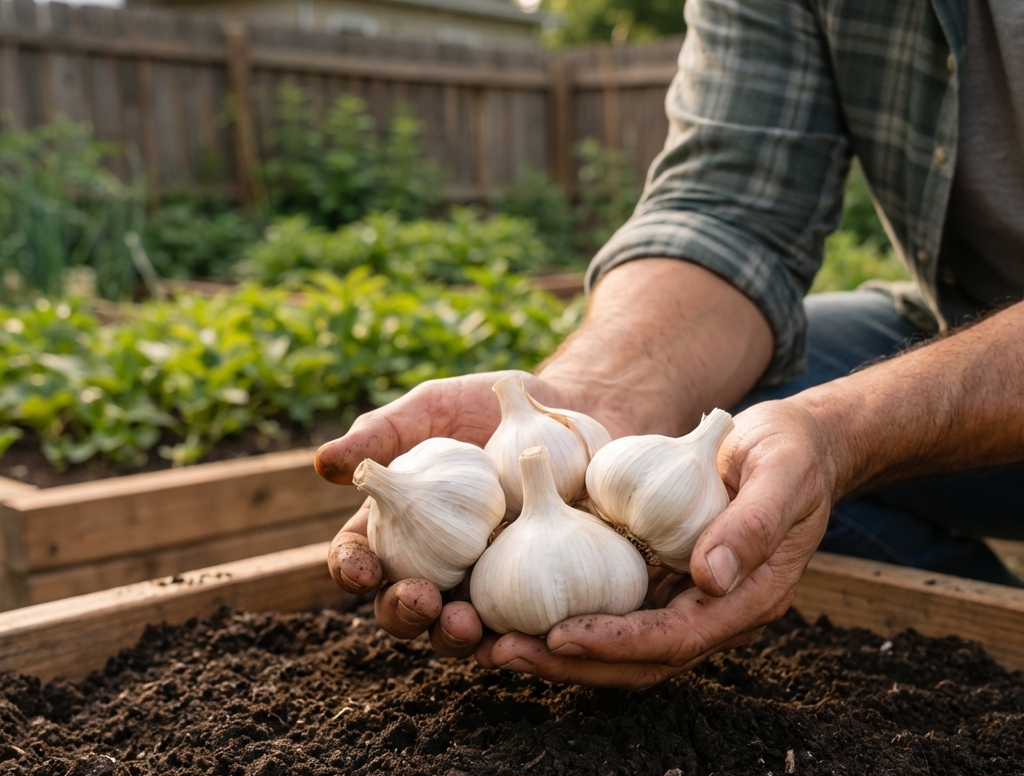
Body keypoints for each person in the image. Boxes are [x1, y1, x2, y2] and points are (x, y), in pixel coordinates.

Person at [314, 0, 1024, 689]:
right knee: (750, 450)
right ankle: (986, 646)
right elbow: (729, 209)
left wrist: (845, 432)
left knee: (794, 448)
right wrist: (599, 399)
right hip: (963, 318)